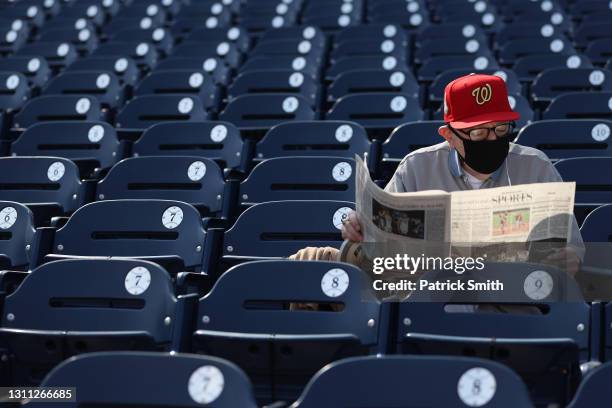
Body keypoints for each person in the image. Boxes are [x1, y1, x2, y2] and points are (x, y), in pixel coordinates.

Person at [339, 73, 583, 275]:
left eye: (500, 128)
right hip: (433, 301)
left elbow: (570, 247)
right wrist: (358, 225)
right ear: (449, 135)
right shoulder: (415, 168)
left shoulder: (536, 167)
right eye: (478, 133)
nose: (492, 138)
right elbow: (380, 241)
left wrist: (569, 259)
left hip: (512, 304)